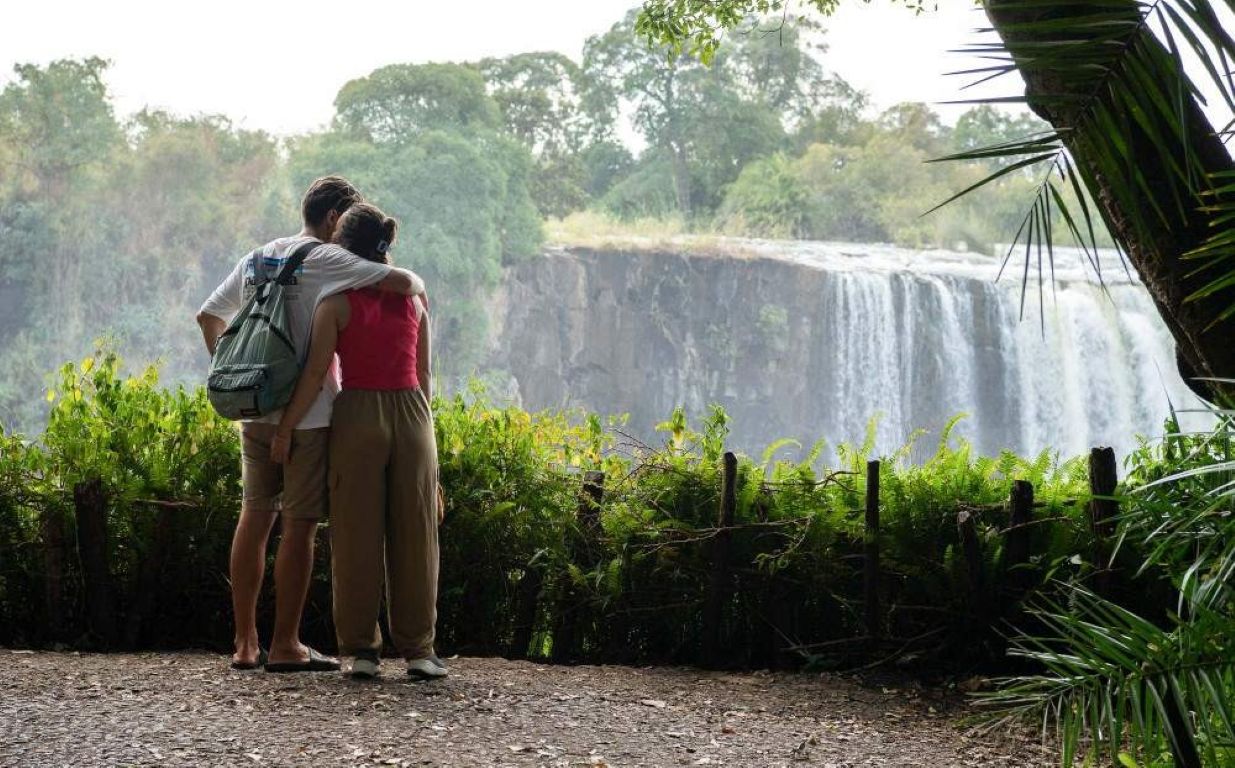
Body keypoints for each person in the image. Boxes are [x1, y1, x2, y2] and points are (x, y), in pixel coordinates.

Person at [196, 177, 426, 672]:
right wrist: (417, 283)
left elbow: (208, 315)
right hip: (309, 418)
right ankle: (286, 645)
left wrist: (235, 369)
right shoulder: (329, 258)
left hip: (254, 409)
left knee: (254, 517)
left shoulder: (257, 256)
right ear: (332, 219)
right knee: (299, 529)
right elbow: (403, 282)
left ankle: (244, 643)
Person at [272, 203, 445, 680]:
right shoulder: (414, 300)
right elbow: (425, 374)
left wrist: (285, 428)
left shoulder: (336, 303)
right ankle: (419, 650)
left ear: (343, 250)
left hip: (357, 417)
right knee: (417, 536)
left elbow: (315, 375)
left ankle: (363, 651)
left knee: (355, 535)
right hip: (413, 416)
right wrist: (429, 443)